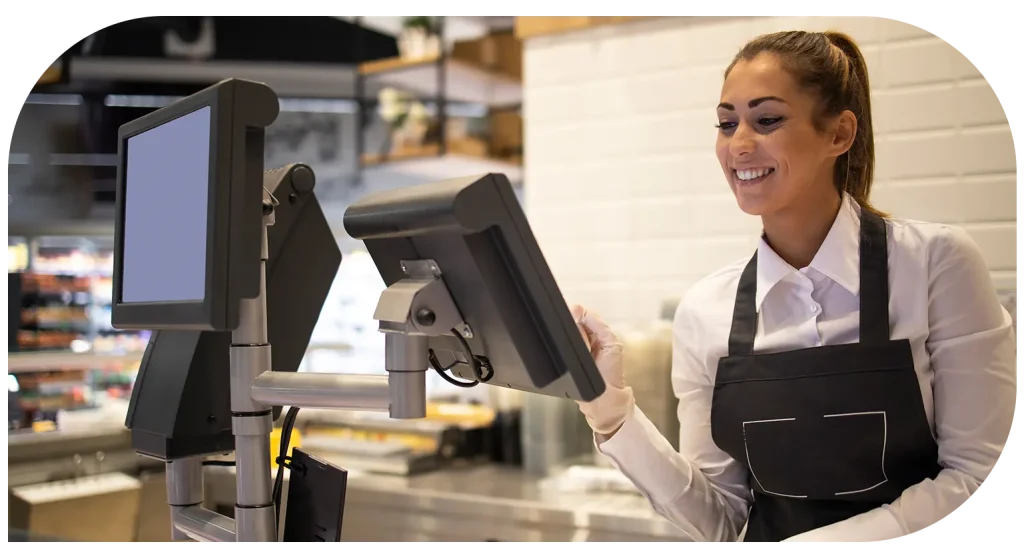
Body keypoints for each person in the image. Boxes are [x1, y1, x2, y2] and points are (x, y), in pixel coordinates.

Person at [570, 29, 1017, 544]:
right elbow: (723, 518)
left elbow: (977, 476)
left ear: (839, 134)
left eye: (767, 120)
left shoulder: (936, 265)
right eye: (726, 122)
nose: (739, 144)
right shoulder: (705, 311)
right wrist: (610, 412)